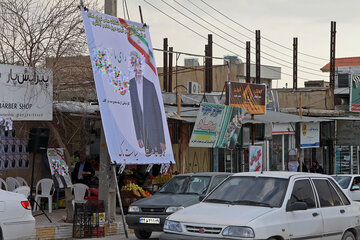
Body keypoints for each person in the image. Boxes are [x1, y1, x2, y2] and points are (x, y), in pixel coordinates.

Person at [129, 51, 166, 155]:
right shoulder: (130, 85)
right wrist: (138, 136)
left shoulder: (150, 85)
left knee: (156, 161)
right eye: (135, 64)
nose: (138, 67)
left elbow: (158, 113)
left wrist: (162, 139)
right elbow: (134, 112)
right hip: (143, 136)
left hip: (155, 135)